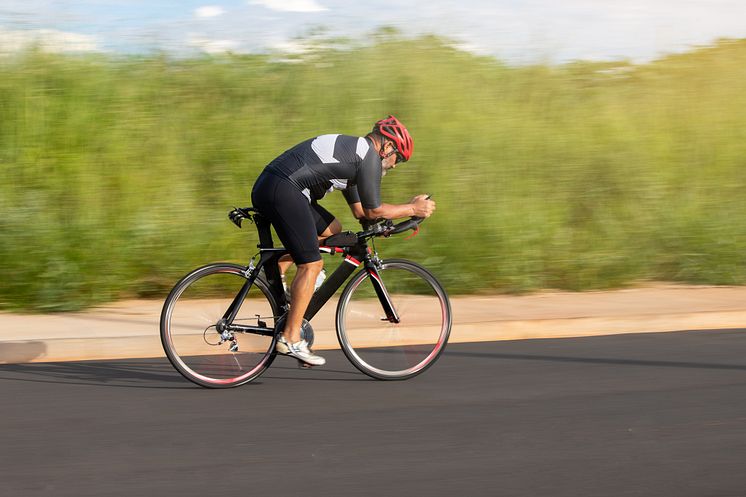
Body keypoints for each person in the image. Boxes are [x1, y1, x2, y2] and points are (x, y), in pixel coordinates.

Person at [251, 115, 435, 366]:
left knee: (333, 230)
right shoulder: (368, 157)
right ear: (387, 147)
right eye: (398, 158)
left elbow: (362, 213)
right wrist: (413, 209)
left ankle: (281, 270)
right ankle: (291, 338)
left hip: (276, 185)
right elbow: (374, 210)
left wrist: (386, 227)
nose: (394, 165)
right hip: (284, 189)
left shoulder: (357, 154)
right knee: (312, 266)